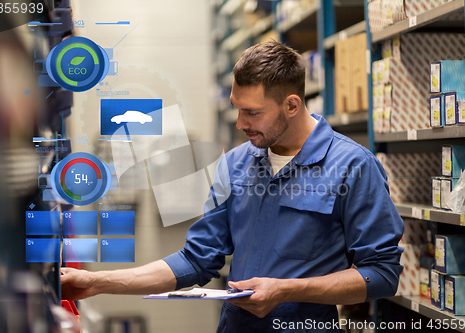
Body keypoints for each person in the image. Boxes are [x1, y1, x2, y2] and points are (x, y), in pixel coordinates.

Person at [61, 41, 403, 332]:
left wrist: (286, 291)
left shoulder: (354, 167)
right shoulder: (237, 163)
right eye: (237, 109)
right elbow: (196, 260)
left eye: (252, 113)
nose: (241, 124)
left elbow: (382, 274)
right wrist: (97, 283)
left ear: (292, 105)